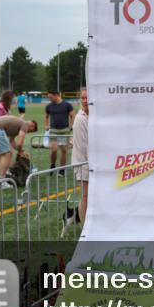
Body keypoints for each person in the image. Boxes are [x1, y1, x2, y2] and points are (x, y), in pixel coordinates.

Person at [65, 87, 89, 235]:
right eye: (83, 98)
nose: (85, 101)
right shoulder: (80, 118)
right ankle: (85, 230)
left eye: (87, 98)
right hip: (83, 162)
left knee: (90, 196)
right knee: (85, 196)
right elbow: (84, 146)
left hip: (92, 162)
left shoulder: (93, 116)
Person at [0, 114, 38, 179]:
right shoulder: (25, 124)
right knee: (8, 153)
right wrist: (20, 152)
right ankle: (2, 179)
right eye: (30, 131)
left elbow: (11, 141)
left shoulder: (17, 126)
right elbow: (20, 143)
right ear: (32, 125)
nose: (27, 132)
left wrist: (21, 151)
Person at [44, 90, 75, 170]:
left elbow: (72, 116)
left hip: (64, 131)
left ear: (56, 95)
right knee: (54, 150)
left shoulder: (67, 105)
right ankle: (52, 165)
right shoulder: (49, 106)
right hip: (53, 131)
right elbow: (46, 117)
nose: (49, 99)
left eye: (50, 97)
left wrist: (71, 126)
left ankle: (62, 169)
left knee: (64, 151)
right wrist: (46, 125)